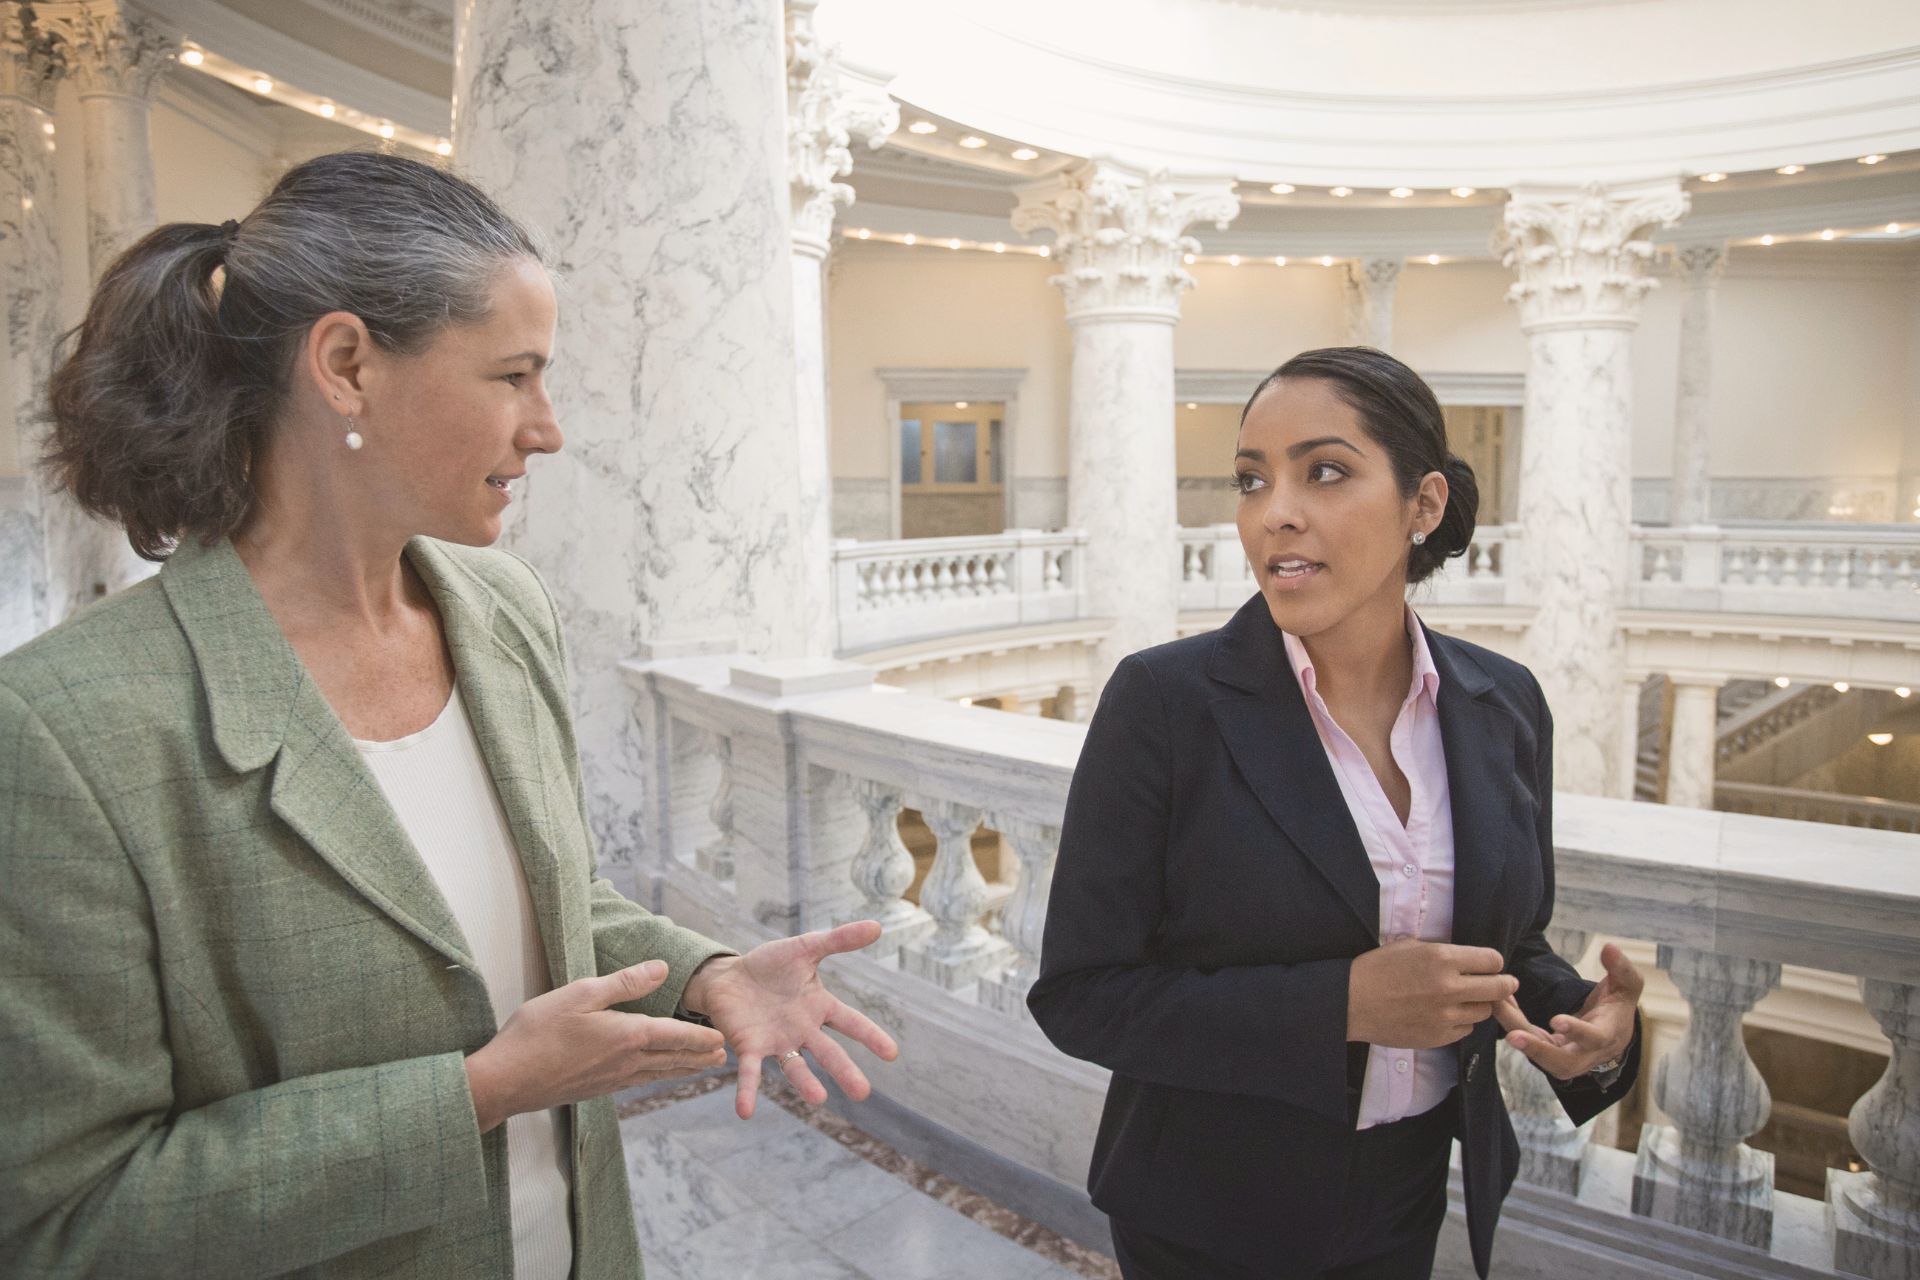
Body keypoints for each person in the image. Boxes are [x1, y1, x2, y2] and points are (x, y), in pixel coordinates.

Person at [0, 150, 896, 1279]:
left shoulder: (499, 606)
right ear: (346, 366)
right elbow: (68, 1220)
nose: (548, 427)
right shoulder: (62, 729)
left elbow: (545, 909)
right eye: (512, 374)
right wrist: (481, 1092)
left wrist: (702, 970)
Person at [1028, 347, 1645, 1279]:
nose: (1274, 510)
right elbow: (1082, 996)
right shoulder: (1164, 702)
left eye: (1324, 471)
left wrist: (1581, 1027)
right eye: (1251, 479)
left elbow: (1503, 942)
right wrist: (1342, 1006)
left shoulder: (1504, 702)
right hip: (1204, 1213)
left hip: (1407, 1194)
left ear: (1423, 505)